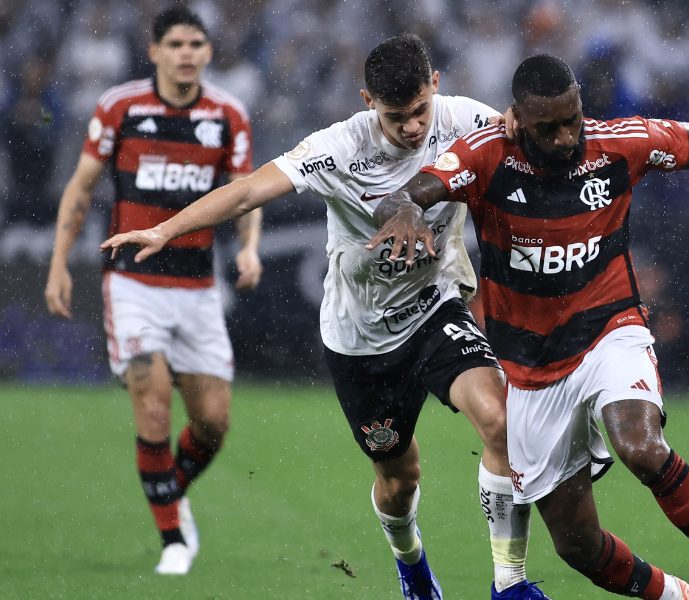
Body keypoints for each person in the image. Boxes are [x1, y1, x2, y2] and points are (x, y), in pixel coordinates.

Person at [101, 34, 549, 600]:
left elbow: (537, 139)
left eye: (419, 111)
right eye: (395, 116)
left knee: (500, 422)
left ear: (435, 86)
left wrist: (523, 122)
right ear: (368, 101)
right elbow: (245, 194)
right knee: (397, 477)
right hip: (359, 339)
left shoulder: (467, 120)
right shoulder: (337, 148)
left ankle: (509, 583)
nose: (412, 127)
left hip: (436, 307)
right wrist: (166, 229)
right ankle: (411, 563)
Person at [367, 54, 689, 600]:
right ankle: (681, 597)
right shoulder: (487, 156)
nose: (564, 136)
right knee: (577, 545)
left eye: (572, 118)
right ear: (518, 120)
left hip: (610, 329)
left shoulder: (617, 143)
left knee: (641, 446)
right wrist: (408, 209)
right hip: (531, 371)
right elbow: (405, 193)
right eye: (546, 127)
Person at [44, 7, 260, 575]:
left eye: (196, 43)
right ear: (155, 51)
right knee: (154, 398)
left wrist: (249, 246)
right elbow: (80, 187)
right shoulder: (121, 106)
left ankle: (168, 492)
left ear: (208, 52)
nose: (187, 53)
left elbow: (245, 193)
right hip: (133, 281)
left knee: (213, 422)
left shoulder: (228, 115)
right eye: (176, 44)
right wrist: (58, 265)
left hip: (197, 286)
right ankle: (173, 541)